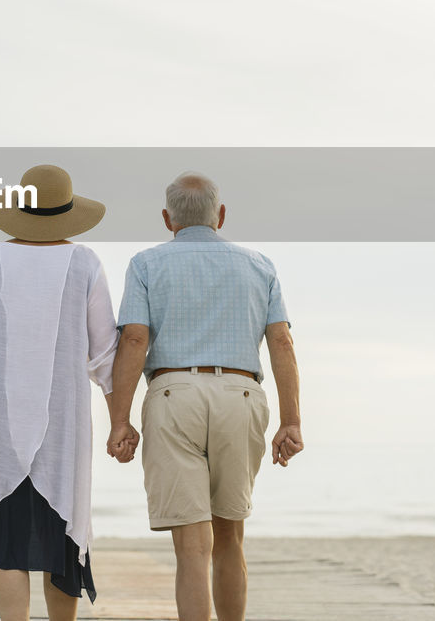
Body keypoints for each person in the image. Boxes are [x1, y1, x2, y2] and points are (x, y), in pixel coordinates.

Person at [0, 164, 136, 621]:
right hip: (62, 424)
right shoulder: (84, 262)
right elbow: (105, 355)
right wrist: (120, 422)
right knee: (61, 536)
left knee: (7, 544)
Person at [106, 171, 302, 621]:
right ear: (221, 215)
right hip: (241, 393)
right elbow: (282, 343)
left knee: (192, 547)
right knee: (230, 536)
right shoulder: (260, 265)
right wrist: (291, 421)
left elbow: (134, 340)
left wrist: (120, 420)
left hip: (174, 395)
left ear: (166, 219)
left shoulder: (146, 264)